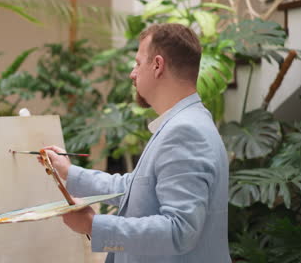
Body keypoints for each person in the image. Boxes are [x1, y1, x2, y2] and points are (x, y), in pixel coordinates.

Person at [40, 23, 231, 263]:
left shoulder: (185, 131)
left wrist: (92, 224)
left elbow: (179, 231)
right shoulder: (187, 122)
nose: (133, 73)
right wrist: (68, 172)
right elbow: (138, 189)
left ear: (158, 65)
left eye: (138, 63)